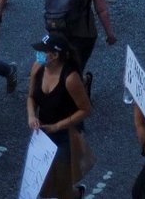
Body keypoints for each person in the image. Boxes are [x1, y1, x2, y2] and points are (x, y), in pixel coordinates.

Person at [26, 30, 93, 199]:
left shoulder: (70, 78)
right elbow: (31, 96)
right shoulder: (37, 67)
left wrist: (57, 126)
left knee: (63, 190)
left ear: (55, 55)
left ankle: (78, 194)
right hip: (43, 135)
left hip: (65, 136)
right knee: (41, 187)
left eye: (43, 51)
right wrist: (32, 116)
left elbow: (85, 109)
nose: (38, 54)